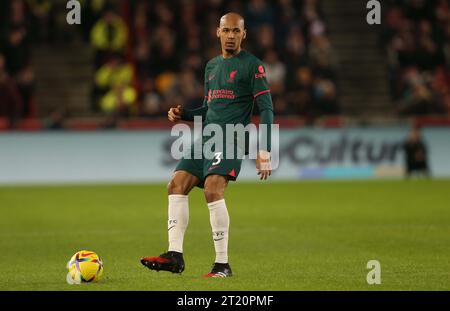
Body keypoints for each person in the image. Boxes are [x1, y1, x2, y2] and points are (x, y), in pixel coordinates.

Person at [140, 12, 274, 278]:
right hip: (207, 138)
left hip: (232, 137)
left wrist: (264, 150)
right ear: (218, 32)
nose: (231, 36)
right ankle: (174, 256)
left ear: (244, 35)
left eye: (237, 31)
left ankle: (222, 265)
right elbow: (209, 108)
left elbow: (267, 109)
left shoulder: (253, 66)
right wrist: (185, 115)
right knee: (176, 185)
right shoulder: (211, 66)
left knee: (213, 189)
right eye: (227, 31)